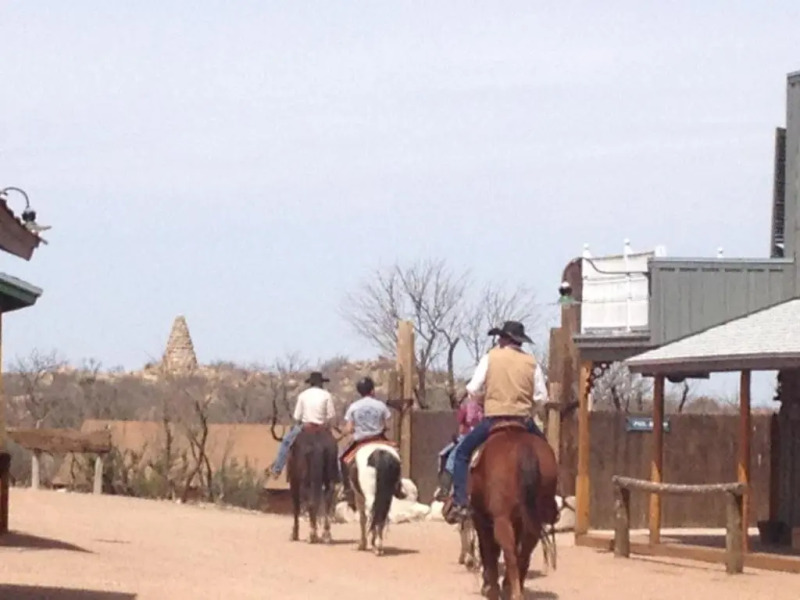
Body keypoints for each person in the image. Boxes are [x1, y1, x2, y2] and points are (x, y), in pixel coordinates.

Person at [444, 320, 548, 524]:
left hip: (494, 419)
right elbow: (541, 397)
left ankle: (460, 502)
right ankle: (548, 503)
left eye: (500, 337)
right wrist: (529, 411)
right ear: (520, 341)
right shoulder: (531, 362)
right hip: (522, 420)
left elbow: (473, 388)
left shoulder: (490, 357)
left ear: (504, 339)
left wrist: (486, 401)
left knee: (462, 454)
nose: (498, 340)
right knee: (546, 454)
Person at [267, 371, 336, 478]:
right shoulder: (327, 395)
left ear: (311, 383)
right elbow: (330, 415)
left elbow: (297, 417)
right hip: (321, 428)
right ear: (321, 383)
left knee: (286, 442)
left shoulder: (303, 395)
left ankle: (277, 469)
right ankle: (337, 475)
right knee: (334, 447)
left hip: (305, 426)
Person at [339, 376, 392, 505]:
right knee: (397, 455)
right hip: (379, 439)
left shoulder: (354, 407)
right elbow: (387, 425)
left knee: (343, 459)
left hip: (361, 442)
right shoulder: (380, 405)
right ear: (372, 390)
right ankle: (397, 485)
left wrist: (345, 432)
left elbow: (349, 428)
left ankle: (347, 490)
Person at [434, 392, 483, 501]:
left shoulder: (466, 407)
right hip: (481, 435)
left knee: (452, 458)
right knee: (444, 453)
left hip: (469, 436)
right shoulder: (484, 407)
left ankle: (445, 489)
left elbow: (462, 427)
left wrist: (459, 437)